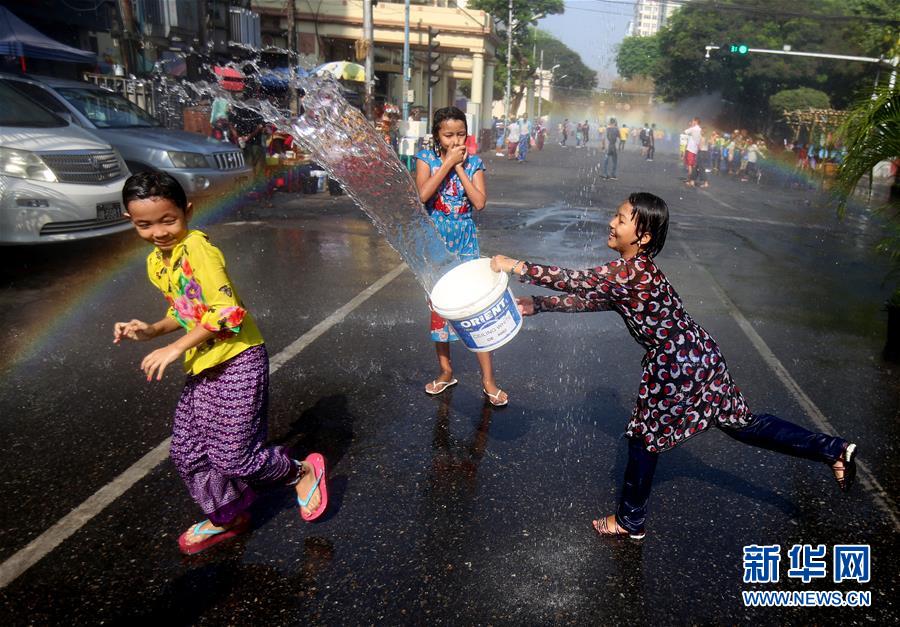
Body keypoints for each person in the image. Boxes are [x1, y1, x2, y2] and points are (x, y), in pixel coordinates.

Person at [490, 192, 858, 539]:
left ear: (643, 236)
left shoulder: (629, 272)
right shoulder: (634, 271)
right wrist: (539, 304)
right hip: (700, 354)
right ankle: (830, 448)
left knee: (644, 437)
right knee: (742, 424)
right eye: (615, 216)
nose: (611, 223)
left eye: (620, 219)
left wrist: (517, 266)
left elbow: (576, 281)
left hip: (676, 364)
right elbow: (598, 299)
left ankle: (630, 520)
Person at [113, 171, 327, 555]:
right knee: (187, 450)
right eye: (145, 224)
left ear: (187, 211)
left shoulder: (198, 248)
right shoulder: (156, 262)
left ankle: (301, 472)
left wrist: (176, 348)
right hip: (203, 365)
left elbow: (228, 311)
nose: (159, 232)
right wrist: (149, 331)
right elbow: (185, 311)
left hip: (238, 358)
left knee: (235, 455)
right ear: (131, 221)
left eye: (168, 220)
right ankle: (229, 515)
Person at [415, 107, 508, 407]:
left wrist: (459, 168)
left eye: (460, 134)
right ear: (437, 136)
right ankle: (445, 372)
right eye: (448, 135)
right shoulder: (425, 159)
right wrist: (446, 164)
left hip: (465, 242)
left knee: (474, 309)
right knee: (440, 308)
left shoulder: (475, 163)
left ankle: (488, 380)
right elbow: (422, 196)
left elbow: (479, 202)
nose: (456, 140)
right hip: (436, 243)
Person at [683, 117, 701, 186]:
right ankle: (689, 179)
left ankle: (690, 180)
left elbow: (685, 131)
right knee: (692, 165)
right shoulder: (700, 129)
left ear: (695, 121)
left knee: (690, 166)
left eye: (693, 121)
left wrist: (691, 126)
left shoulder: (693, 128)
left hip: (690, 149)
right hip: (695, 150)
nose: (692, 122)